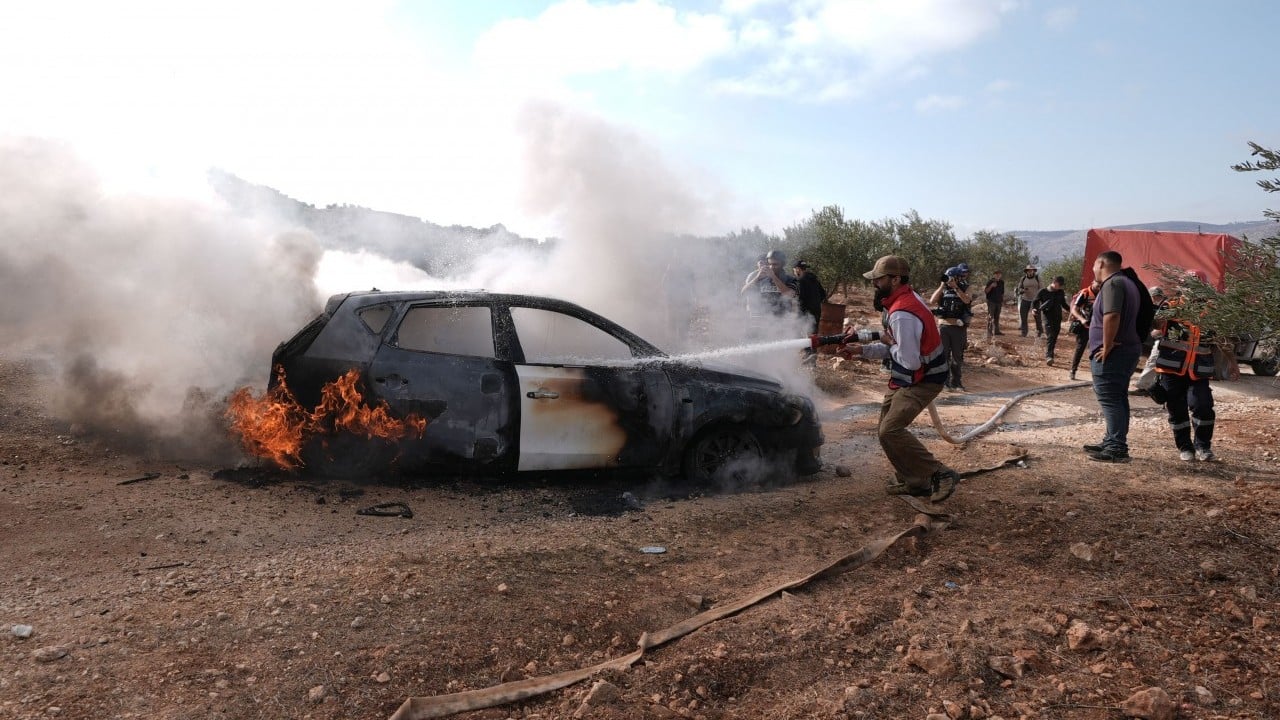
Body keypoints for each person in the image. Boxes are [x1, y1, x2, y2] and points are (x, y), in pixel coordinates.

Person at [839, 255, 958, 502]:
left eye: (878, 279)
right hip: (907, 376)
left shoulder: (902, 312)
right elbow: (898, 349)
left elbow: (909, 359)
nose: (874, 284)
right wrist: (862, 350)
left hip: (923, 379)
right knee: (886, 430)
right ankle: (916, 482)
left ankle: (940, 474)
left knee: (890, 431)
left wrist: (884, 342)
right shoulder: (902, 301)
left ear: (895, 279)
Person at [1152, 271, 1238, 462]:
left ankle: (1203, 447)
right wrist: (1163, 314)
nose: (1192, 290)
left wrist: (1232, 362)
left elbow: (1221, 340)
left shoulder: (1212, 311)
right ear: (1182, 287)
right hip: (1171, 369)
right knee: (1177, 409)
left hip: (1199, 371)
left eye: (1195, 286)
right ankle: (1185, 447)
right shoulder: (1171, 305)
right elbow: (1156, 326)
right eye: (1188, 285)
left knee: (1203, 406)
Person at [1083, 251, 1143, 463]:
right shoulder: (1127, 282)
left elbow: (1112, 315)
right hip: (1127, 348)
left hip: (1114, 351)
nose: (1093, 270)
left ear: (1100, 263)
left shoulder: (1114, 284)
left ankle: (1117, 447)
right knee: (1117, 397)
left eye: (1093, 266)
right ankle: (1112, 440)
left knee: (1109, 398)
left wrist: (1107, 345)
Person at [929, 266, 972, 391]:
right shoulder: (944, 289)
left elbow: (967, 300)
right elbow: (932, 300)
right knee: (943, 355)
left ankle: (956, 382)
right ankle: (944, 382)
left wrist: (956, 288)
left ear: (958, 278)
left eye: (952, 278)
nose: (950, 280)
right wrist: (942, 285)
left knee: (957, 356)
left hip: (958, 327)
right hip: (944, 326)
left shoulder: (965, 287)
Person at [741, 250, 798, 338]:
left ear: (783, 264)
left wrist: (773, 277)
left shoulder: (790, 279)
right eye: (770, 264)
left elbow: (789, 295)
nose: (771, 267)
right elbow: (743, 293)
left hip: (781, 323)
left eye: (775, 264)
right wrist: (757, 278)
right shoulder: (760, 278)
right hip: (761, 323)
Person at [1034, 275, 1070, 366]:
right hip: (1047, 318)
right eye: (1059, 284)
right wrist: (1034, 309)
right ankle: (1049, 356)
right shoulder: (1043, 291)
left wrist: (1072, 311)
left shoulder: (1060, 292)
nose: (1060, 286)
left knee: (1054, 337)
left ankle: (1051, 353)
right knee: (1050, 336)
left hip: (1058, 318)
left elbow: (1064, 304)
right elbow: (1035, 302)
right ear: (1054, 283)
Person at [1068, 279, 1100, 380]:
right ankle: (1073, 370)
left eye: (1101, 284)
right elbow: (1074, 309)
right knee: (1080, 348)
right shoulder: (1085, 293)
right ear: (1092, 282)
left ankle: (1097, 373)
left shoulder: (1103, 293)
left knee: (1097, 349)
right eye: (1098, 283)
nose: (1099, 286)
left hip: (1097, 326)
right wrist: (1081, 319)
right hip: (1085, 325)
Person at [792, 259, 827, 333]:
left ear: (797, 269)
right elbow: (823, 294)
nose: (794, 272)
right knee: (813, 337)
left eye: (794, 270)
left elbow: (800, 299)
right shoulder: (815, 279)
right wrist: (815, 303)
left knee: (802, 337)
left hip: (804, 315)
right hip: (816, 312)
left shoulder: (799, 281)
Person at [1017, 265, 1043, 337]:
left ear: (1034, 271)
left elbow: (1041, 289)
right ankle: (1024, 333)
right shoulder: (1023, 279)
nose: (1030, 271)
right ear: (1026, 271)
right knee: (1023, 317)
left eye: (1032, 270)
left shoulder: (1038, 278)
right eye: (1029, 270)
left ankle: (1040, 333)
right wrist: (1022, 290)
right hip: (1025, 300)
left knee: (1037, 318)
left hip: (1035, 301)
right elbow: (1019, 289)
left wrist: (1039, 298)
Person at [984, 270, 1006, 336]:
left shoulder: (1002, 282)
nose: (998, 275)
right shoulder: (990, 281)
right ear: (994, 275)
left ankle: (997, 331)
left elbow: (1002, 292)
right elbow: (986, 291)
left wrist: (1002, 300)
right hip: (991, 301)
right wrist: (991, 286)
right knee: (990, 316)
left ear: (1001, 275)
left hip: (999, 302)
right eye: (996, 274)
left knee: (997, 317)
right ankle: (989, 332)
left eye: (999, 274)